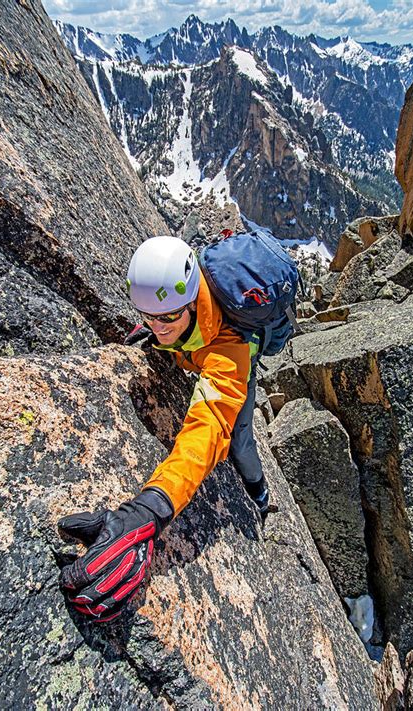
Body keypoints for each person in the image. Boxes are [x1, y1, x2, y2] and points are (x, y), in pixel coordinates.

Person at [59, 235, 268, 622]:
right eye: (147, 315)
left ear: (190, 302)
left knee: (237, 439)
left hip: (236, 361)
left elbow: (203, 435)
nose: (157, 325)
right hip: (198, 344)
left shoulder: (229, 350)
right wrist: (160, 330)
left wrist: (148, 512)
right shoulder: (169, 310)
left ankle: (259, 492)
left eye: (168, 316)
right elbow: (162, 320)